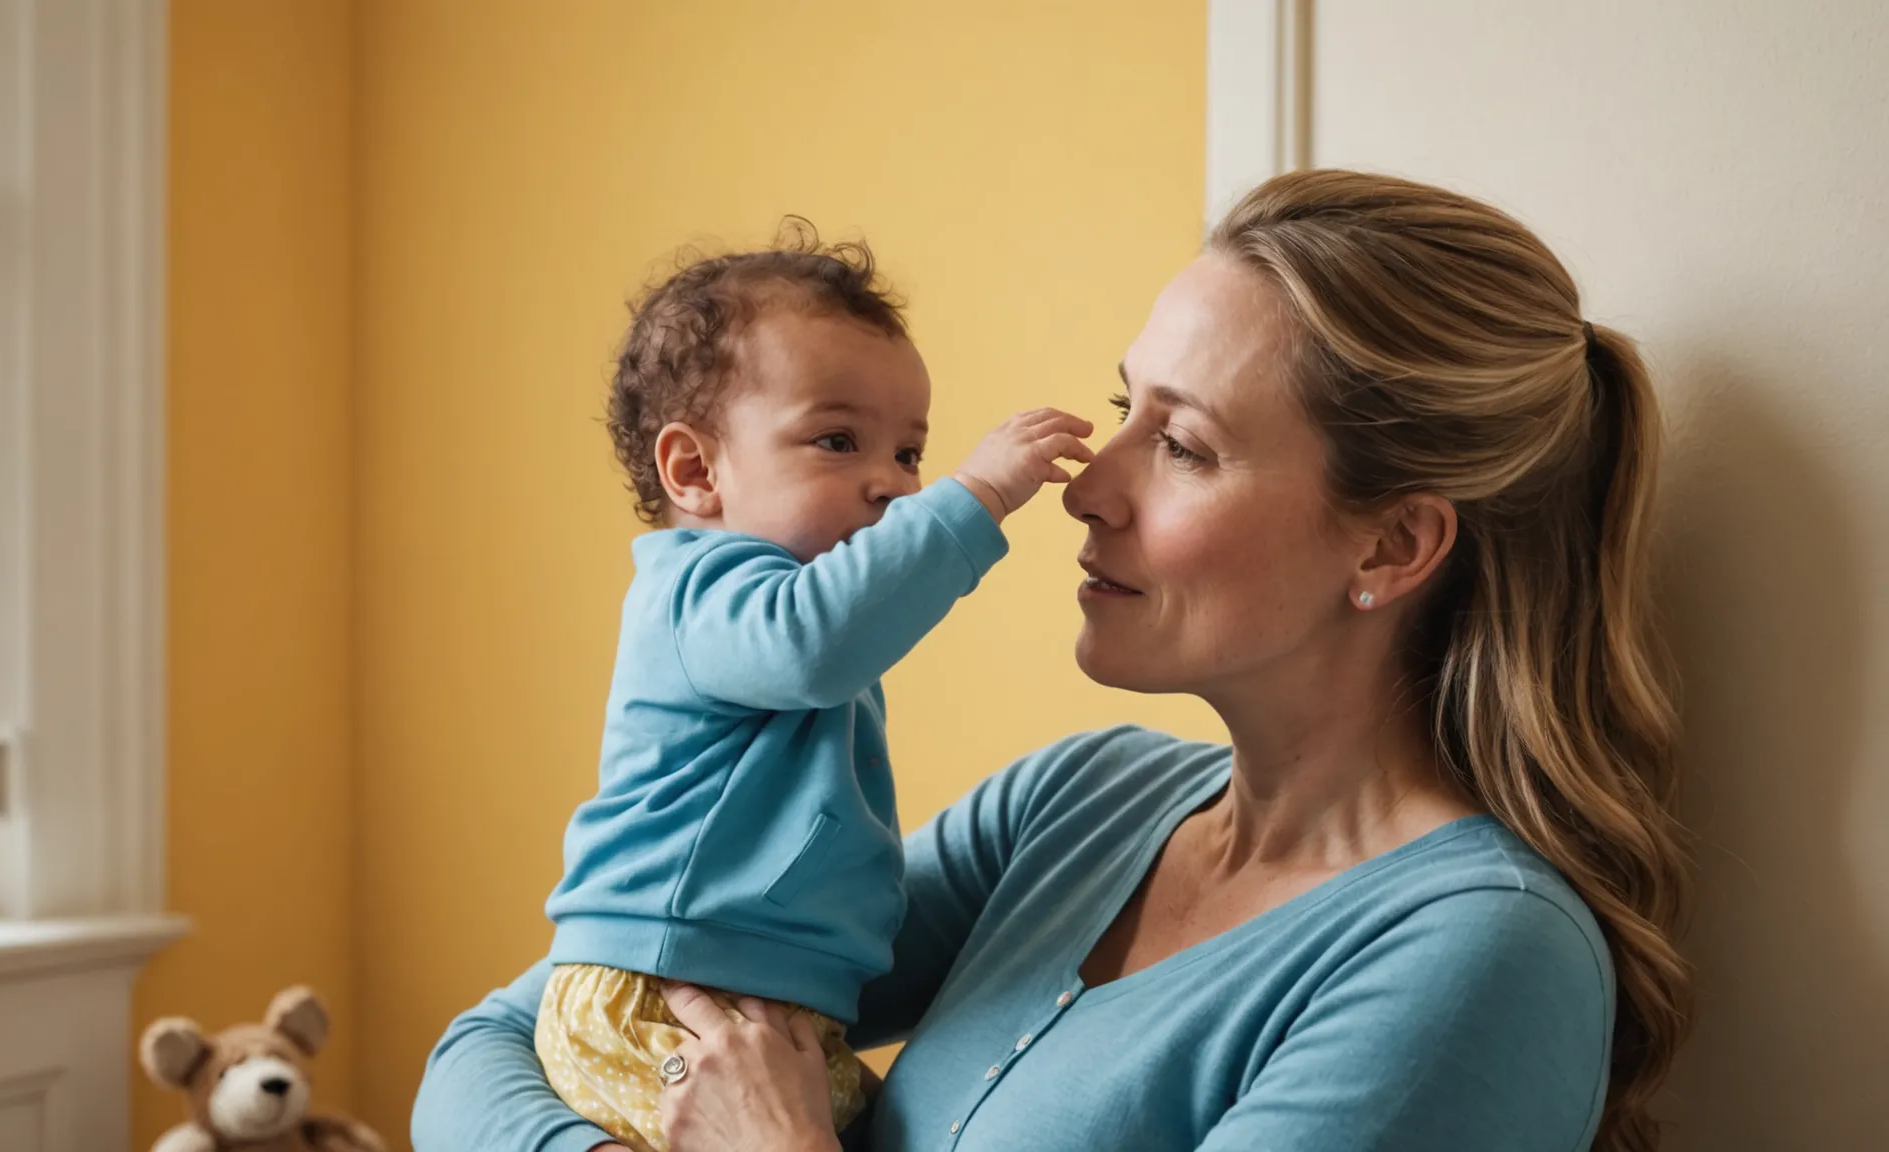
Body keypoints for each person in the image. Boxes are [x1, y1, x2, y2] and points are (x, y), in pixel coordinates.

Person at [413, 170, 1693, 1152]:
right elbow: (493, 1044)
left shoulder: (1475, 958)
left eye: (1181, 444)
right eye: (1121, 403)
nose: (1090, 489)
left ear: (1394, 542)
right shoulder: (1076, 807)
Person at [531, 223, 1094, 1152]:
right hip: (655, 993)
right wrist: (975, 496)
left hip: (765, 1007)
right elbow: (816, 641)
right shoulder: (698, 593)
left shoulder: (788, 617)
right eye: (838, 441)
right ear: (695, 470)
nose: (893, 486)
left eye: (911, 454)